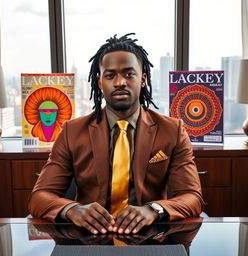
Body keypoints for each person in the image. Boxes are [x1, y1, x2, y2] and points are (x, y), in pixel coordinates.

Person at [28, 33, 203, 236]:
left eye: (129, 74)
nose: (120, 82)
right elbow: (39, 197)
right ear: (99, 82)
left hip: (150, 237)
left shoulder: (172, 130)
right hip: (90, 237)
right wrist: (72, 209)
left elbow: (192, 197)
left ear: (143, 79)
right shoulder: (72, 132)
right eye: (110, 76)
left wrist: (154, 209)